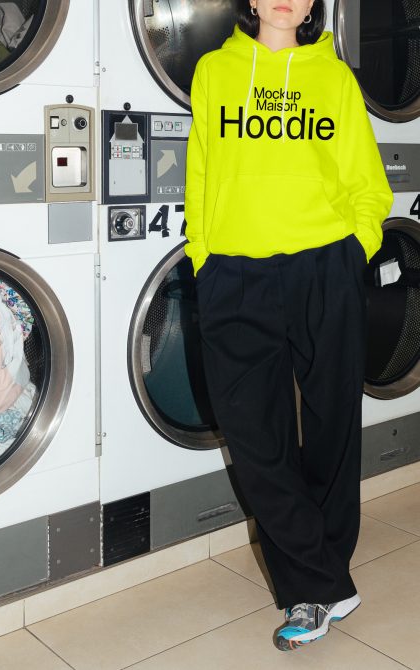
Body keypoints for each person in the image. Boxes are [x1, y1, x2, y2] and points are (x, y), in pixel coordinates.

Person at [184, 0, 393, 653]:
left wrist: (355, 243)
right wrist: (203, 252)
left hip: (321, 262)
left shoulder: (332, 78)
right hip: (233, 270)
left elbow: (365, 177)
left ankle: (311, 591)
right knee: (252, 435)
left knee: (332, 424)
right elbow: (201, 169)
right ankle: (325, 578)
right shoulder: (214, 73)